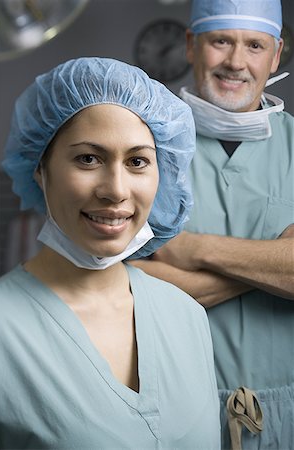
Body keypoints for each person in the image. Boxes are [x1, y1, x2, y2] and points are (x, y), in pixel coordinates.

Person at [0, 57, 220, 449]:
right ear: (39, 168)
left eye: (137, 161)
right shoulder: (2, 329)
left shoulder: (187, 316)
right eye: (88, 158)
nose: (115, 190)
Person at [129, 1, 294, 449]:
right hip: (179, 416)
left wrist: (191, 248)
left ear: (276, 55)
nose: (236, 62)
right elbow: (127, 286)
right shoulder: (146, 150)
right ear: (191, 45)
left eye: (254, 46)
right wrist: (272, 263)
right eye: (221, 40)